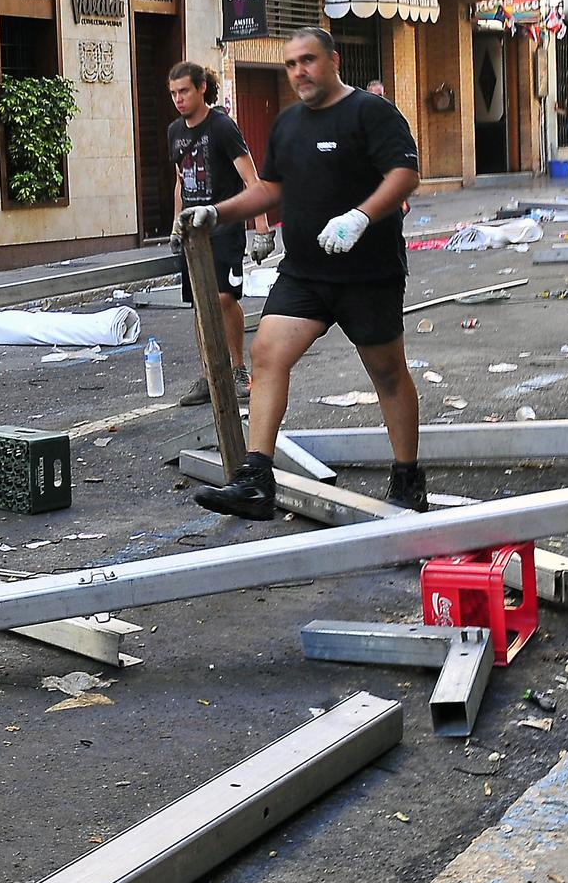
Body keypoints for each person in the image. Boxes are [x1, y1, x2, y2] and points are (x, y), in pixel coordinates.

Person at [177, 26, 426, 518]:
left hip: (368, 273)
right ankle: (255, 478)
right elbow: (271, 189)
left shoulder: (371, 113)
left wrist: (361, 216)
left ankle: (408, 478)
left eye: (308, 61)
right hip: (305, 272)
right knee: (267, 352)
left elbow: (406, 174)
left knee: (387, 374)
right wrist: (217, 212)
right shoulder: (288, 124)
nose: (299, 73)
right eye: (291, 64)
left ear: (333, 60)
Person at [165, 61, 274, 407]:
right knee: (200, 303)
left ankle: (238, 369)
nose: (178, 99)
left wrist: (262, 228)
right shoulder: (174, 132)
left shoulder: (222, 126)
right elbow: (181, 182)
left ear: (201, 88)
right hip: (193, 234)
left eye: (184, 91)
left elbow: (251, 180)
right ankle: (210, 373)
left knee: (225, 298)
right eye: (173, 93)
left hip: (224, 227)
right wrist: (175, 227)